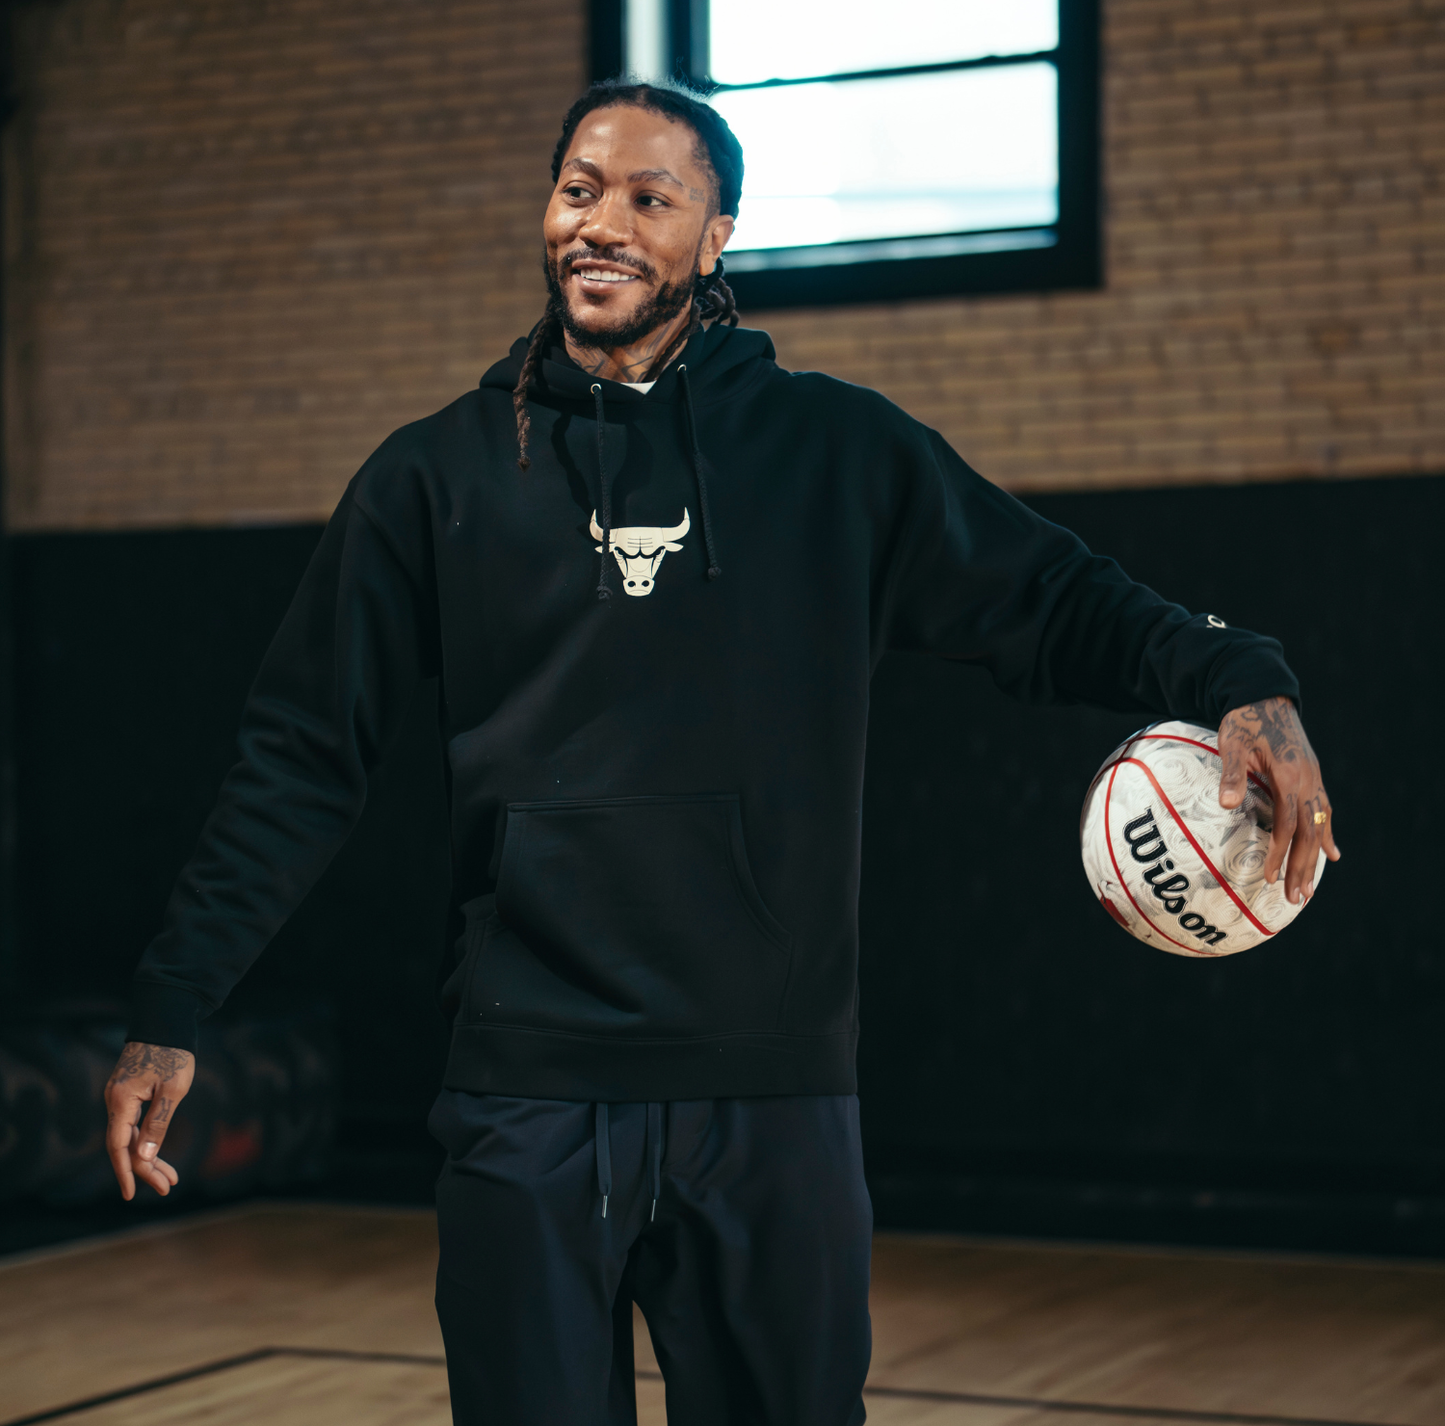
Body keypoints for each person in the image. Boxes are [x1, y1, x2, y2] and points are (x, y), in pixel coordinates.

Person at [104, 81, 1340, 1425]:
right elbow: (299, 758)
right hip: (525, 1092)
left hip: (771, 1098)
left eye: (651, 197)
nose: (602, 224)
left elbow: (1054, 600)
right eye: (580, 187)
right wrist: (177, 1001)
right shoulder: (431, 480)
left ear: (716, 237)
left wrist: (1239, 677)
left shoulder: (837, 453)